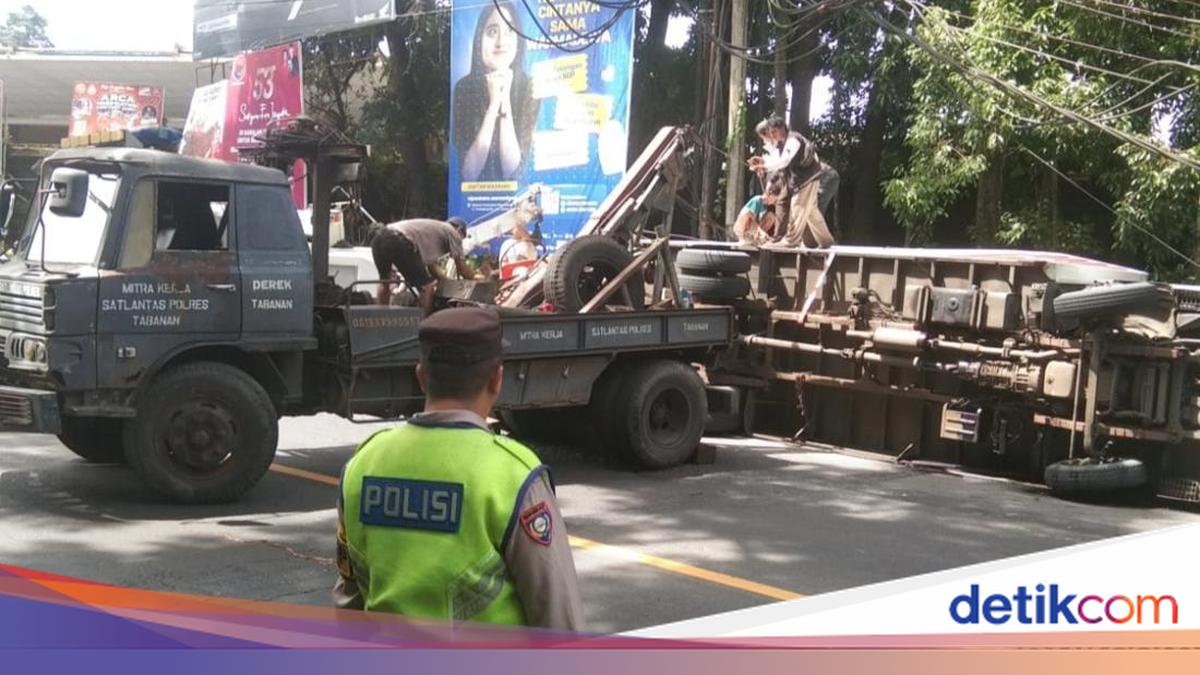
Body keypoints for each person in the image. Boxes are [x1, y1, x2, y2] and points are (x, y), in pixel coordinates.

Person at [333, 307, 585, 630]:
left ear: (421, 376)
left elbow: (347, 603)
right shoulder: (514, 476)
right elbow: (559, 620)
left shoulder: (362, 465)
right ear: (497, 379)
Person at [452, 1, 538, 182]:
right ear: (479, 39)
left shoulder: (530, 86)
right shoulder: (463, 88)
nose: (500, 42)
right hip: (472, 202)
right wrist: (493, 106)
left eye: (509, 32)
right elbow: (468, 173)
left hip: (517, 203)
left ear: (518, 42)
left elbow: (513, 172)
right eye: (492, 31)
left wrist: (504, 97)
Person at [748, 116, 840, 248]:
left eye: (773, 132)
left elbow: (784, 161)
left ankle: (791, 240)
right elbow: (776, 162)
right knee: (812, 213)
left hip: (808, 179)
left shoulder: (793, 140)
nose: (772, 136)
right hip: (803, 180)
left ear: (781, 129)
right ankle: (826, 241)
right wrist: (762, 163)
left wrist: (764, 167)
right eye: (770, 133)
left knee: (797, 207)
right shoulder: (782, 144)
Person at [371, 218, 476, 315]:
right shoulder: (453, 232)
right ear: (460, 230)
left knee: (384, 282)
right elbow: (463, 270)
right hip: (399, 239)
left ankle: (380, 319)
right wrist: (479, 282)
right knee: (427, 287)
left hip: (379, 237)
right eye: (462, 239)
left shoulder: (432, 232)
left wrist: (448, 285)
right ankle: (424, 325)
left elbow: (433, 270)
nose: (460, 243)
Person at [733, 177, 785, 246]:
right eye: (774, 199)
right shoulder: (757, 200)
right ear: (770, 195)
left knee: (771, 216)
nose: (774, 202)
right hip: (743, 227)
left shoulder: (765, 207)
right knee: (747, 214)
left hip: (754, 229)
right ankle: (747, 236)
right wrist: (760, 231)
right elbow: (750, 218)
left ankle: (757, 238)